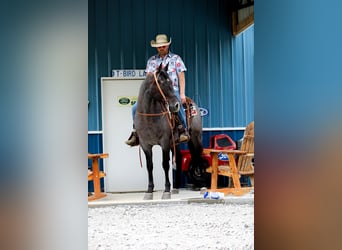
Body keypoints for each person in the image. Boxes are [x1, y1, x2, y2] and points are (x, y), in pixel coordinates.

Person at [125, 34, 189, 146]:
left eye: (163, 46)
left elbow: (181, 76)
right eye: (159, 46)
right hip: (155, 93)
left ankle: (183, 129)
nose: (161, 48)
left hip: (171, 91)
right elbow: (148, 79)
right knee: (135, 108)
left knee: (177, 104)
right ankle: (136, 132)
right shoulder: (152, 61)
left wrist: (182, 93)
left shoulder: (176, 59)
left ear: (167, 46)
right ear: (156, 47)